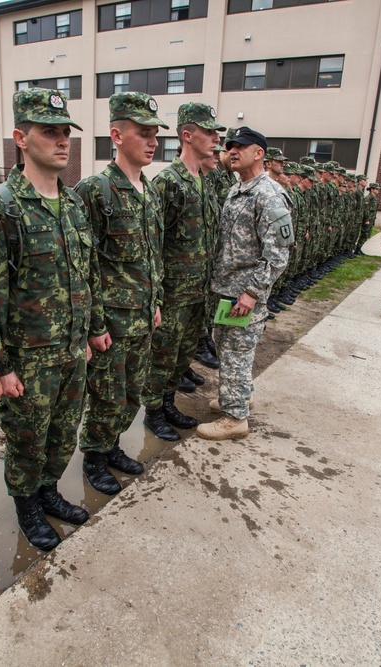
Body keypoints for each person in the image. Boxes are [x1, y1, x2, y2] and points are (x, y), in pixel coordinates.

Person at [0, 88, 99, 551]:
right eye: (49, 132)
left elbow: (84, 276)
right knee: (28, 439)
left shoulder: (71, 205)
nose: (62, 141)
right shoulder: (1, 207)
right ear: (21, 138)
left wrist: (87, 333)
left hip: (71, 349)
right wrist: (1, 364)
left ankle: (49, 489)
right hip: (28, 359)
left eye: (65, 131)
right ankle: (27, 504)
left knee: (64, 430)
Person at [75, 92, 165, 494]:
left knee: (132, 393)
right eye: (143, 133)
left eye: (154, 134)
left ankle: (111, 447)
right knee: (107, 396)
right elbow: (84, 263)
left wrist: (156, 303)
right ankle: (94, 456)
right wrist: (93, 325)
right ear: (116, 135)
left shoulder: (149, 191)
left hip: (143, 316)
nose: (152, 142)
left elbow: (152, 256)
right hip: (111, 321)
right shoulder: (95, 190)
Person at [197, 127, 292, 441]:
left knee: (236, 351)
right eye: (230, 146)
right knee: (226, 348)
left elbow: (278, 253)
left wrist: (253, 292)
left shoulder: (269, 193)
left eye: (240, 146)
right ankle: (235, 395)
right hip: (228, 290)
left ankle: (235, 418)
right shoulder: (238, 189)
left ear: (259, 153)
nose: (232, 150)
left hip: (244, 294)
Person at [142, 102, 224, 442]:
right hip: (174, 295)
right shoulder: (168, 183)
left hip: (198, 293)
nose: (216, 138)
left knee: (182, 356)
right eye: (208, 132)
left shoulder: (203, 181)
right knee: (162, 358)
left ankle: (168, 402)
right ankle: (153, 412)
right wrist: (157, 299)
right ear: (188, 136)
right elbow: (153, 247)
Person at [357, 181, 380, 255]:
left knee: (367, 234)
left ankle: (359, 248)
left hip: (371, 219)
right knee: (364, 234)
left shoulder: (373, 198)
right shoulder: (369, 198)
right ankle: (357, 248)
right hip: (367, 220)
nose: (377, 191)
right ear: (372, 189)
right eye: (376, 189)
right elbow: (365, 209)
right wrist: (366, 219)